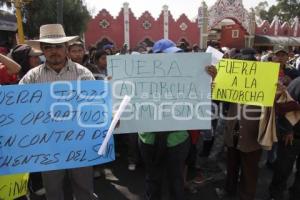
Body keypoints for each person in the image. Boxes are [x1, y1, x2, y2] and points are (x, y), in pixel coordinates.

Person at [19, 24, 98, 200]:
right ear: (42, 50)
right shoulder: (31, 78)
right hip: (47, 145)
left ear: (65, 48)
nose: (54, 51)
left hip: (80, 142)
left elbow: (95, 105)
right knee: (53, 191)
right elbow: (19, 108)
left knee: (84, 189)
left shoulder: (84, 75)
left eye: (58, 46)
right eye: (48, 47)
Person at [138, 39, 216, 200]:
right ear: (156, 56)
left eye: (175, 55)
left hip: (177, 138)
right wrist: (113, 83)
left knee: (176, 179)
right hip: (149, 138)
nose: (173, 59)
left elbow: (200, 98)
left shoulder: (186, 74)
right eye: (168, 55)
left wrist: (210, 80)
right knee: (153, 178)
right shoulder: (138, 75)